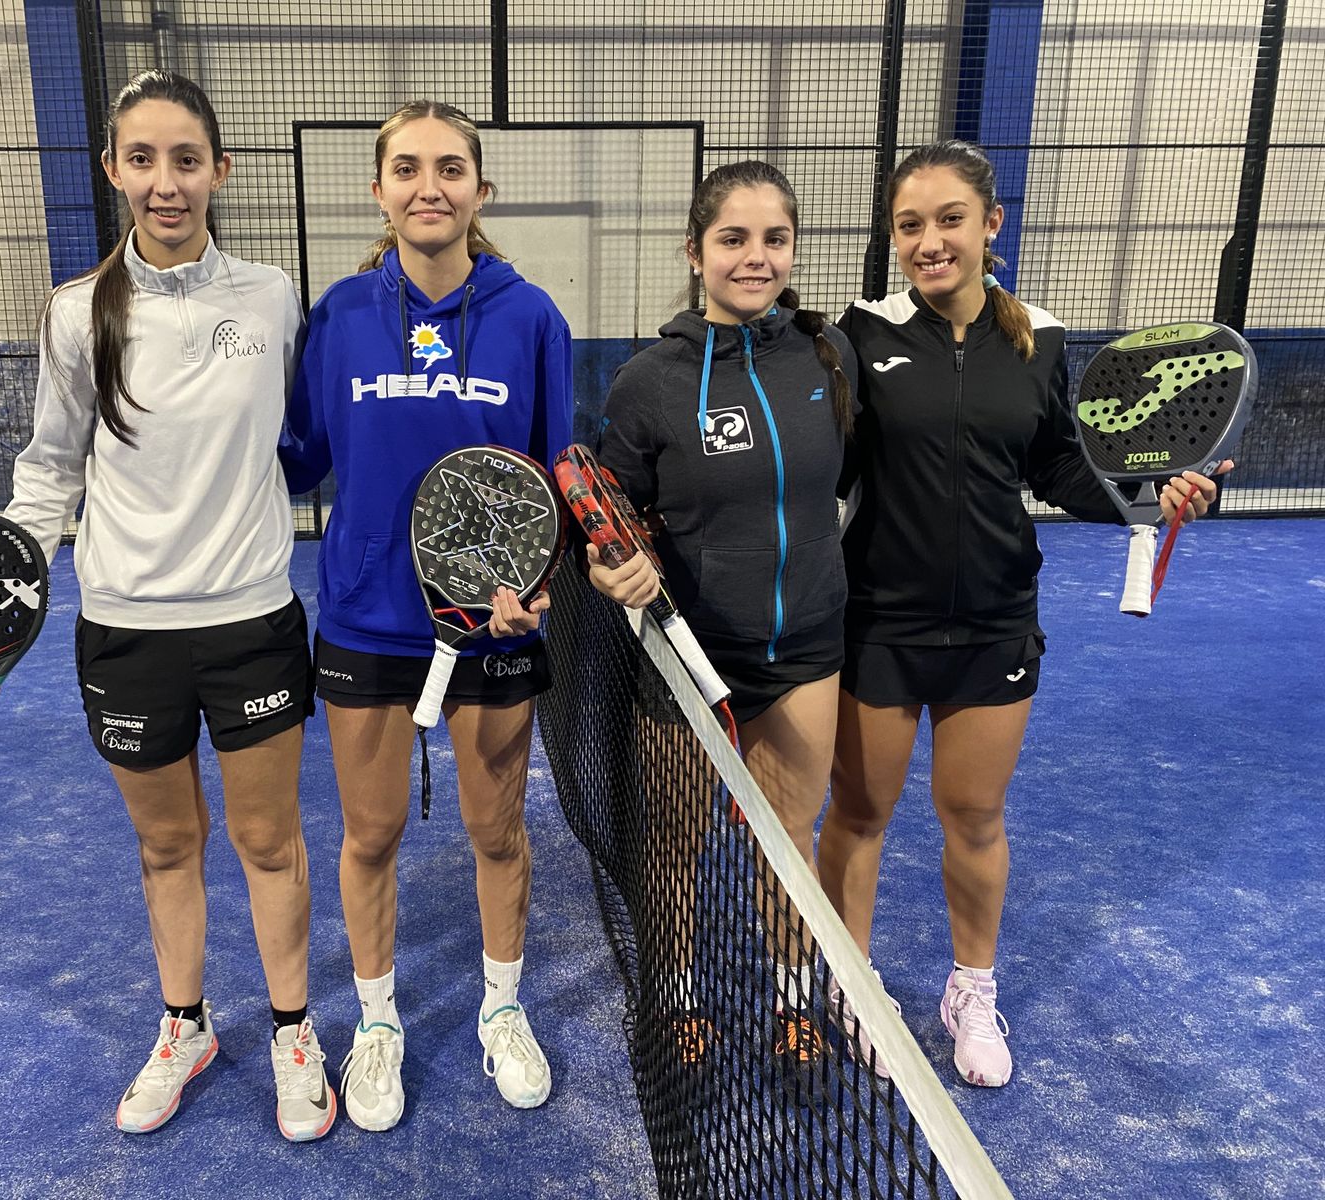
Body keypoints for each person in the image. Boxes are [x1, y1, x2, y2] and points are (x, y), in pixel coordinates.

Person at [820, 139, 1229, 1088]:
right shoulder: (857, 332)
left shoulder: (1038, 339)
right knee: (863, 811)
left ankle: (972, 988)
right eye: (910, 225)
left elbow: (1054, 465)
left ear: (991, 225)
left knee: (974, 813)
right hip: (877, 623)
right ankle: (851, 981)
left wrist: (1146, 492)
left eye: (949, 220)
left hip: (996, 624)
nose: (930, 242)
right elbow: (824, 467)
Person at [5, 69, 335, 1142]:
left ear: (218, 172)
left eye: (185, 160)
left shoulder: (272, 295)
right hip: (127, 630)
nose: (165, 182)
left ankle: (292, 1030)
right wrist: (15, 558)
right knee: (165, 846)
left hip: (250, 621)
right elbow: (52, 466)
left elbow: (306, 433)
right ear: (113, 171)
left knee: (268, 841)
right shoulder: (73, 316)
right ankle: (185, 1024)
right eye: (141, 160)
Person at [280, 100, 573, 1131]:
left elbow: (553, 474)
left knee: (497, 832)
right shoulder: (338, 316)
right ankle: (376, 1028)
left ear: (479, 191)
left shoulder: (531, 317)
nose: (428, 186)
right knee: (372, 835)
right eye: (406, 168)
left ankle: (500, 1008)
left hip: (491, 629)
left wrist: (531, 591)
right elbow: (297, 457)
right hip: (366, 623)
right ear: (379, 190)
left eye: (450, 168)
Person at [588, 160, 857, 1072]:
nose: (755, 257)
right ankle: (680, 997)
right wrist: (611, 568)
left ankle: (793, 1004)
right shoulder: (649, 382)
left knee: (790, 840)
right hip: (684, 658)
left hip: (807, 650)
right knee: (674, 843)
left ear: (793, 247)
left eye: (773, 238)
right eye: (733, 239)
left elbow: (842, 483)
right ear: (696, 251)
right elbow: (609, 522)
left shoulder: (826, 359)